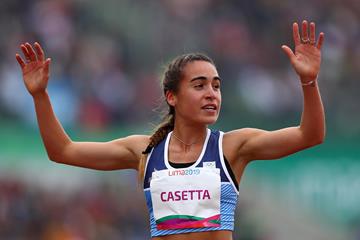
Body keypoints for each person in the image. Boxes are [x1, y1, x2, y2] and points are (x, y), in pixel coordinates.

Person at [16, 20, 325, 240]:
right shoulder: (145, 151)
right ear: (172, 96)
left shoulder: (233, 146)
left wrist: (308, 81)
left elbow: (309, 135)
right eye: (199, 85)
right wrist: (40, 96)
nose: (211, 94)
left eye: (216, 86)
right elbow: (63, 151)